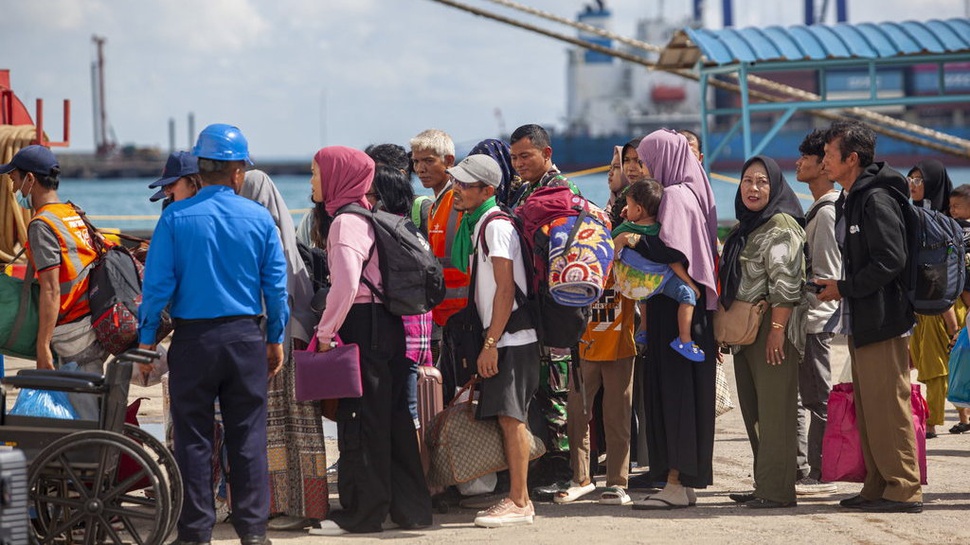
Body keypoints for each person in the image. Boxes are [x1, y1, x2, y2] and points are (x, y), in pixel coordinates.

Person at [138, 123, 288, 545]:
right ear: (239, 172)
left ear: (200, 171)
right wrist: (274, 338)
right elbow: (275, 289)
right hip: (245, 338)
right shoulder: (259, 218)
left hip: (193, 342)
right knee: (248, 439)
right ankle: (254, 534)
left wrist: (147, 341)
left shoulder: (174, 219)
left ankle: (195, 534)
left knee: (193, 441)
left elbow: (156, 290)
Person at [307, 146, 432, 536]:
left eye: (316, 173)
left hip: (363, 325)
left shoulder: (345, 222)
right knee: (393, 420)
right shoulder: (369, 214)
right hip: (388, 324)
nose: (312, 181)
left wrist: (324, 333)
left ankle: (363, 514)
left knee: (362, 421)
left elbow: (344, 285)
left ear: (336, 178)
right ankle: (410, 508)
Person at [816, 119, 923, 513]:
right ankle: (877, 483)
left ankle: (903, 487)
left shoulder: (876, 199)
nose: (824, 161)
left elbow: (891, 259)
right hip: (864, 319)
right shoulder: (854, 196)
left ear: (853, 158)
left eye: (830, 155)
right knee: (870, 406)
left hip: (884, 318)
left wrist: (844, 287)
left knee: (888, 406)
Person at [444, 154, 541, 527]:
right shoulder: (482, 222)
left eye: (465, 185)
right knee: (508, 416)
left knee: (510, 417)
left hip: (510, 337)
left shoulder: (495, 226)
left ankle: (520, 501)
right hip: (508, 335)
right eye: (456, 183)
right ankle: (519, 497)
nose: (457, 190)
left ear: (487, 190)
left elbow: (504, 290)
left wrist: (490, 343)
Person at [628, 129, 719, 511]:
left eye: (647, 161)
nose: (643, 169)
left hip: (678, 313)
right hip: (679, 312)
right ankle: (678, 481)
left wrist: (632, 238)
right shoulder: (684, 191)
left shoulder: (677, 196)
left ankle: (676, 482)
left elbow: (669, 249)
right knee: (676, 395)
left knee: (677, 395)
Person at [238, 169, 329, 531]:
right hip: (294, 334)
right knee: (299, 426)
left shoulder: (264, 234)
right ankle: (306, 503)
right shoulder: (283, 232)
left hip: (276, 338)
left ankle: (285, 505)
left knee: (278, 426)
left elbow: (274, 294)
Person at [721, 155, 806, 509]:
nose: (753, 188)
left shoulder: (781, 225)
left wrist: (777, 331)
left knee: (776, 413)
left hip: (772, 330)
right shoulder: (749, 226)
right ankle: (765, 483)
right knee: (755, 411)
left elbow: (787, 283)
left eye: (762, 182)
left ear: (774, 187)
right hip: (747, 333)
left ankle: (777, 491)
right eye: (747, 181)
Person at [3, 145, 107, 420]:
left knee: (86, 423)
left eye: (14, 179)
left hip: (74, 334)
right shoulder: (72, 213)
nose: (14, 188)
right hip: (92, 321)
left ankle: (97, 460)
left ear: (30, 180)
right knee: (91, 413)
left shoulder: (42, 224)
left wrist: (42, 347)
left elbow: (51, 290)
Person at [556, 165, 638, 507]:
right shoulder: (584, 248)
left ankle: (618, 482)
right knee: (577, 414)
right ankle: (581, 477)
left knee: (617, 415)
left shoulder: (632, 242)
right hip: (585, 341)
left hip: (620, 340)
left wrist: (621, 243)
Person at [791, 129, 842, 496]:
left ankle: (823, 468)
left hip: (815, 321)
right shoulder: (821, 207)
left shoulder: (826, 212)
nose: (799, 163)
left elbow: (825, 276)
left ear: (823, 166)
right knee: (803, 396)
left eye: (806, 158)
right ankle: (802, 465)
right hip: (808, 320)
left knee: (818, 398)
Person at [614, 179, 705, 362]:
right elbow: (672, 261)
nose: (626, 208)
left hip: (628, 284)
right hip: (656, 282)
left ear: (638, 210)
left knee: (646, 295)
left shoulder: (624, 229)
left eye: (628, 205)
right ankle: (684, 339)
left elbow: (613, 250)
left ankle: (644, 331)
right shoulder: (661, 232)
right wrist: (690, 284)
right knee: (687, 295)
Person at [907, 159, 963, 439]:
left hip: (941, 303)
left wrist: (952, 320)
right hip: (918, 302)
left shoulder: (947, 221)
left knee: (934, 367)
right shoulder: (910, 214)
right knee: (921, 360)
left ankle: (931, 422)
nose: (913, 185)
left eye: (919, 180)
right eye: (911, 179)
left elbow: (947, 272)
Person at [411, 129, 467, 391]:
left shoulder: (458, 200)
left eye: (429, 161)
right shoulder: (435, 204)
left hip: (464, 314)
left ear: (449, 160)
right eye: (416, 161)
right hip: (446, 315)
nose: (421, 168)